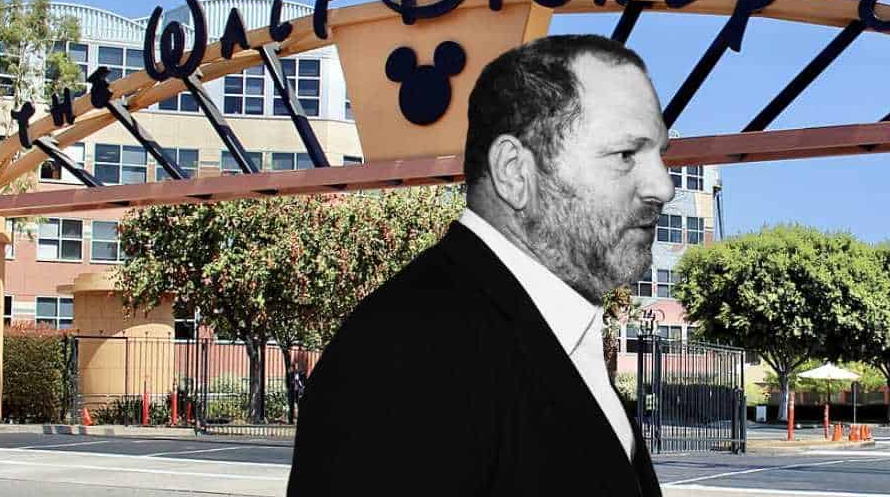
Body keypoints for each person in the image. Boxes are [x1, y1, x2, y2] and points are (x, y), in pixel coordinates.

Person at [287, 34, 674, 496]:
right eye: (626, 155)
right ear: (514, 171)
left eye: (660, 155)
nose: (663, 187)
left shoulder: (554, 333)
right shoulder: (409, 358)